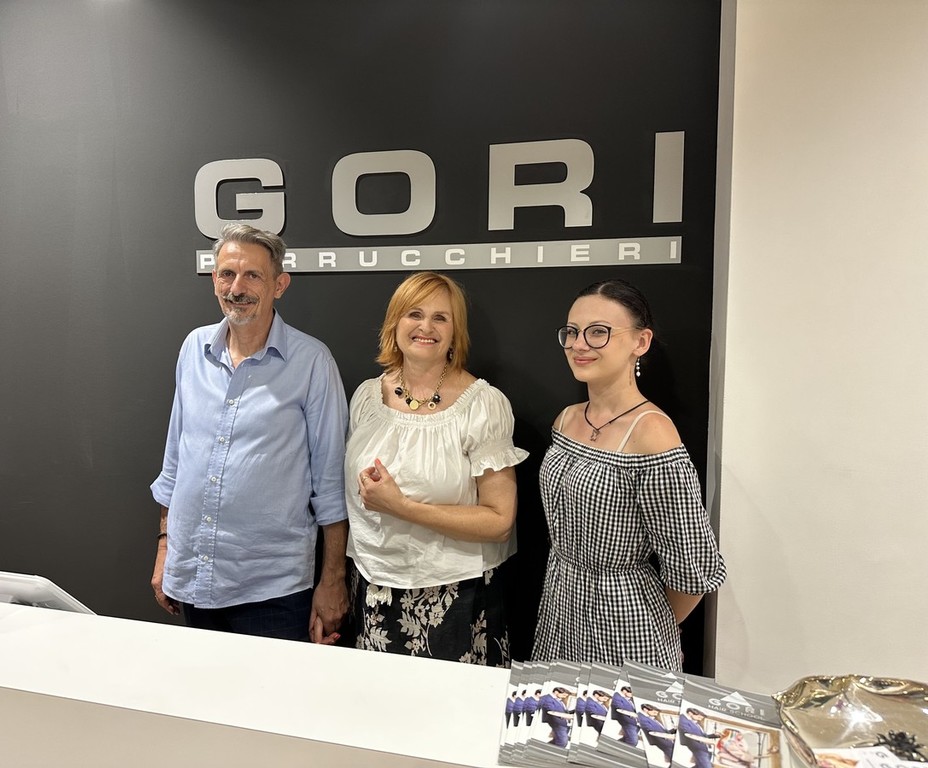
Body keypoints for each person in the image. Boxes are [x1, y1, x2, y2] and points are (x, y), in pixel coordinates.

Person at [150, 222, 349, 644]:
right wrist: (165, 548)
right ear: (214, 280)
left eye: (252, 275)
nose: (237, 288)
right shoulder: (194, 349)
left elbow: (331, 484)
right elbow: (175, 462)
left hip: (272, 590)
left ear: (279, 285)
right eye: (227, 274)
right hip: (194, 576)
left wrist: (332, 579)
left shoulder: (312, 362)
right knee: (200, 687)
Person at [532, 279, 726, 670]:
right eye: (572, 332)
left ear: (641, 341)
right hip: (559, 609)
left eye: (598, 332)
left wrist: (655, 627)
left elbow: (693, 566)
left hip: (625, 625)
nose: (579, 344)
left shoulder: (652, 434)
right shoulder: (567, 419)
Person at [346, 271, 528, 665]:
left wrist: (401, 506)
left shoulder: (482, 405)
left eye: (440, 318)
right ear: (395, 323)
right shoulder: (366, 397)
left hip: (455, 596)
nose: (425, 327)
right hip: (374, 590)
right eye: (414, 314)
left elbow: (499, 521)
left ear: (455, 332)